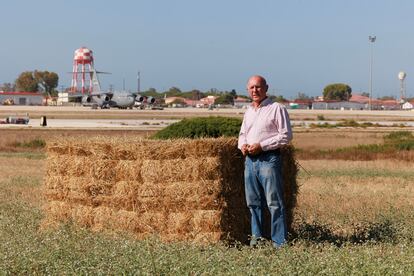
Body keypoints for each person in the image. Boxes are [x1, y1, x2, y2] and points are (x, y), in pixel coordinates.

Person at [238, 75, 293, 248]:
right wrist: (243, 146)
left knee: (274, 203)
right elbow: (242, 135)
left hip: (269, 160)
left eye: (258, 87)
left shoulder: (277, 108)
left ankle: (279, 243)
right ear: (248, 89)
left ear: (266, 88)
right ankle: (257, 240)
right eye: (252, 88)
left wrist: (262, 146)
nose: (255, 90)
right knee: (253, 203)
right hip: (250, 162)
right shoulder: (248, 111)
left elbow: (286, 136)